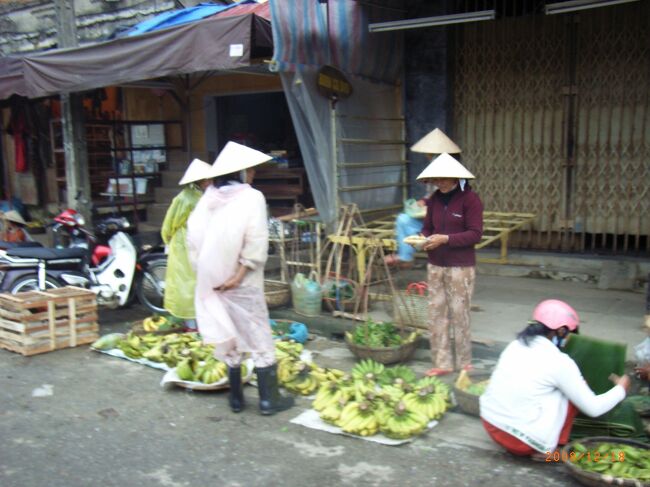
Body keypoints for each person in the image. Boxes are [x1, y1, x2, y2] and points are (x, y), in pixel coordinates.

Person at [187, 141, 294, 416]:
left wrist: (209, 274)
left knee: (229, 335)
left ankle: (236, 398)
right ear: (243, 171)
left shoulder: (208, 198)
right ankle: (269, 400)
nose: (254, 174)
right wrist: (240, 272)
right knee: (258, 335)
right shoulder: (252, 197)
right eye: (252, 170)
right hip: (242, 281)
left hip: (214, 281)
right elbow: (256, 239)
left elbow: (193, 241)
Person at [480, 299, 630, 459]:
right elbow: (593, 408)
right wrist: (621, 389)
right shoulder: (560, 361)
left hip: (491, 425)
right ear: (560, 331)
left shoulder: (514, 345)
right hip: (521, 442)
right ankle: (549, 451)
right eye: (570, 334)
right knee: (576, 389)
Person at [408, 152, 483, 376]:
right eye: (436, 178)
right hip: (435, 264)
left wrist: (446, 239)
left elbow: (475, 234)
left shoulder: (471, 200)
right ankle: (442, 362)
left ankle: (464, 361)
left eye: (443, 178)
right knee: (436, 313)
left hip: (461, 266)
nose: (439, 182)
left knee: (460, 313)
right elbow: (428, 228)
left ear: (455, 177)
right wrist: (422, 240)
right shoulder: (434, 201)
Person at [385, 128, 462, 269]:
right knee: (403, 219)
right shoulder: (434, 171)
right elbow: (432, 195)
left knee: (421, 230)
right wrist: (424, 202)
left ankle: (425, 247)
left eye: (431, 154)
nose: (428, 156)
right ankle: (406, 256)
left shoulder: (455, 176)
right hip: (431, 220)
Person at [160, 158, 213, 331]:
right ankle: (191, 324)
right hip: (185, 243)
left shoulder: (203, 196)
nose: (210, 182)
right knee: (187, 284)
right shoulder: (185, 198)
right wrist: (168, 239)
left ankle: (200, 321)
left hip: (199, 242)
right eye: (207, 179)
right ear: (200, 180)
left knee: (198, 282)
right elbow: (171, 223)